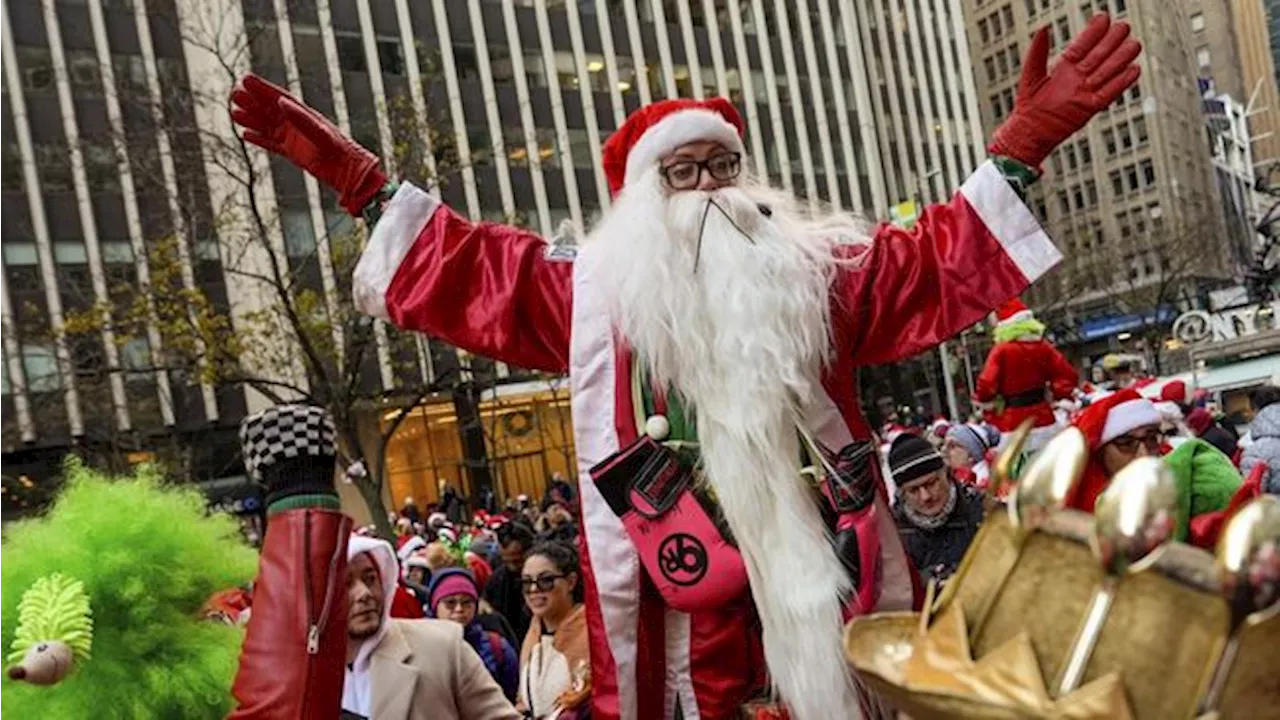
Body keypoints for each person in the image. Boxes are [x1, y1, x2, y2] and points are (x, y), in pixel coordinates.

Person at [231, 15, 1139, 717]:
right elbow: (469, 264)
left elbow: (928, 261)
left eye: (724, 167)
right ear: (636, 201)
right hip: (671, 618)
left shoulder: (815, 281)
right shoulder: (586, 297)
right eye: (683, 172)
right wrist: (357, 181)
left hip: (830, 596)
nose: (711, 190)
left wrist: (1019, 151)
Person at [228, 404, 519, 720]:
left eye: (370, 577)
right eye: (345, 582)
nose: (364, 593)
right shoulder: (275, 670)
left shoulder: (441, 647)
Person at [1069, 390, 1241, 540]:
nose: (1143, 454)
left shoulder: (1189, 479)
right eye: (1126, 443)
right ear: (1100, 453)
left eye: (1151, 438)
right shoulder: (1080, 519)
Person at [974, 298, 1078, 453]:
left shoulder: (1001, 350)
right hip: (1043, 415)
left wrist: (987, 402)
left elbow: (986, 384)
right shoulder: (1044, 347)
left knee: (1016, 464)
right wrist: (1058, 393)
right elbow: (1067, 375)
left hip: (1014, 419)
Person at [888, 434, 985, 584]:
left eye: (931, 483)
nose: (925, 496)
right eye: (913, 490)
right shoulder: (894, 536)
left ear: (946, 473)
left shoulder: (982, 511)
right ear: (902, 493)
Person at [519, 542, 591, 720]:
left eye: (546, 580)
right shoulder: (532, 631)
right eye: (527, 582)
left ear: (571, 582)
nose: (534, 589)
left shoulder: (593, 633)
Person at [430, 568, 521, 702]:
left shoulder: (497, 648)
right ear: (435, 606)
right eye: (450, 603)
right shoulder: (421, 647)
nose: (459, 609)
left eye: (467, 602)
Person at [486, 521, 536, 643]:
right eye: (507, 560)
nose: (512, 567)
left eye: (517, 561)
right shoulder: (497, 578)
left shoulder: (542, 579)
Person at [943, 422, 1000, 491]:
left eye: (952, 446)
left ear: (970, 455)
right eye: (944, 445)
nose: (944, 450)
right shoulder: (955, 479)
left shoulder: (984, 484)